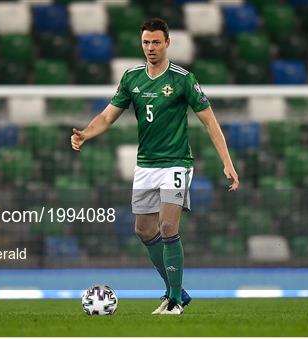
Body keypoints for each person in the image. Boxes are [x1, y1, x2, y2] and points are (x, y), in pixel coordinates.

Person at [71, 18, 239, 315]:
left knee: (168, 226)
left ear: (167, 43)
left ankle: (174, 301)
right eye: (146, 42)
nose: (151, 47)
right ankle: (176, 290)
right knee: (144, 229)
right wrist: (86, 133)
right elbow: (108, 116)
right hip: (146, 164)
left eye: (156, 42)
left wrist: (227, 162)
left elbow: (210, 120)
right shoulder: (132, 78)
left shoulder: (183, 79)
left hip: (175, 163)